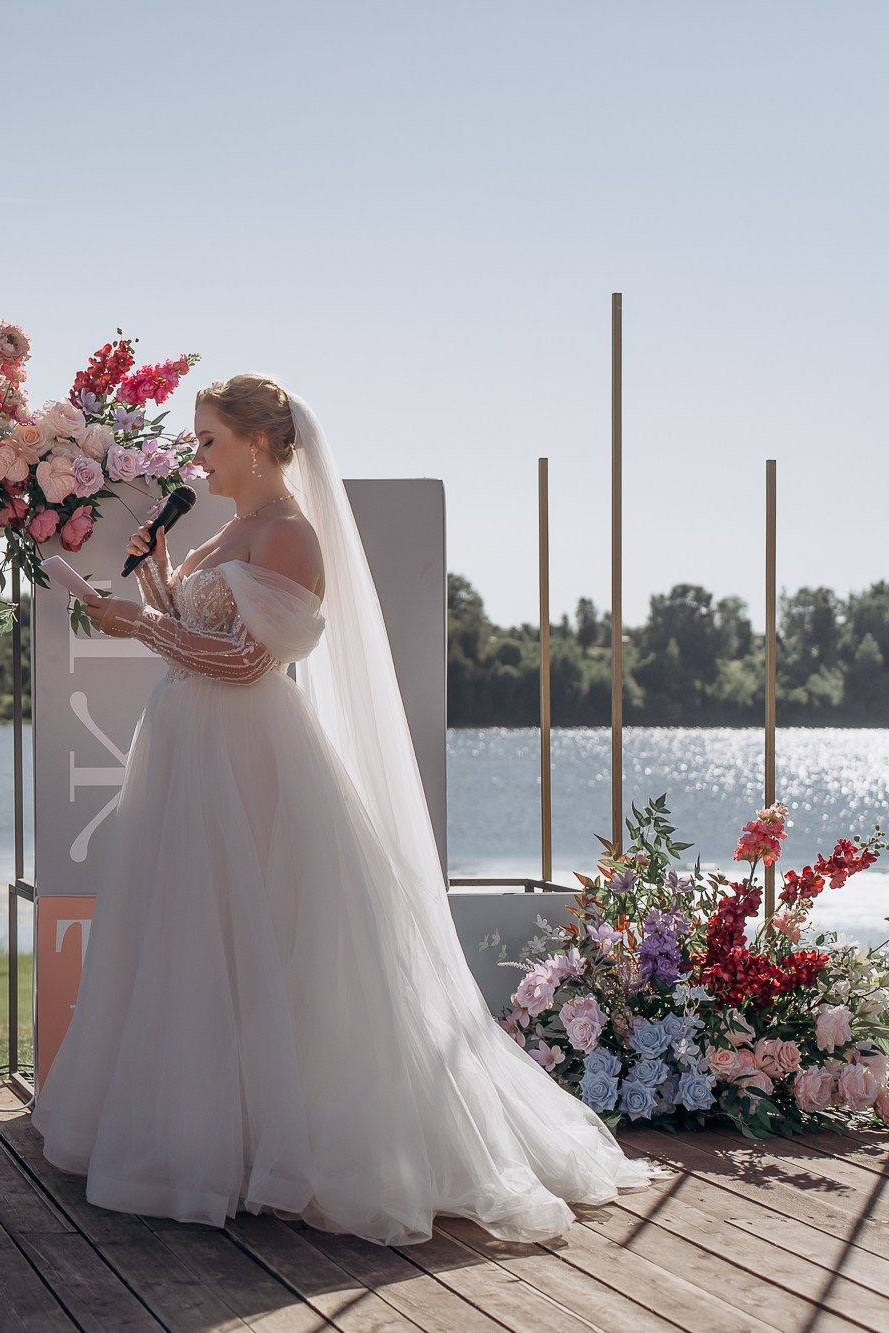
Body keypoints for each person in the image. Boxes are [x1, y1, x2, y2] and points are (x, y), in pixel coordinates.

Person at [32, 374, 652, 1245]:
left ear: (256, 443)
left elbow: (245, 662)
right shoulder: (230, 527)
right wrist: (161, 572)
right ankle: (213, 1132)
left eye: (208, 441)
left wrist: (134, 623)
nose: (197, 459)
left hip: (245, 755)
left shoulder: (291, 536)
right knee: (195, 932)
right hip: (187, 748)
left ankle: (277, 1145)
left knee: (264, 932)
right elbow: (196, 635)